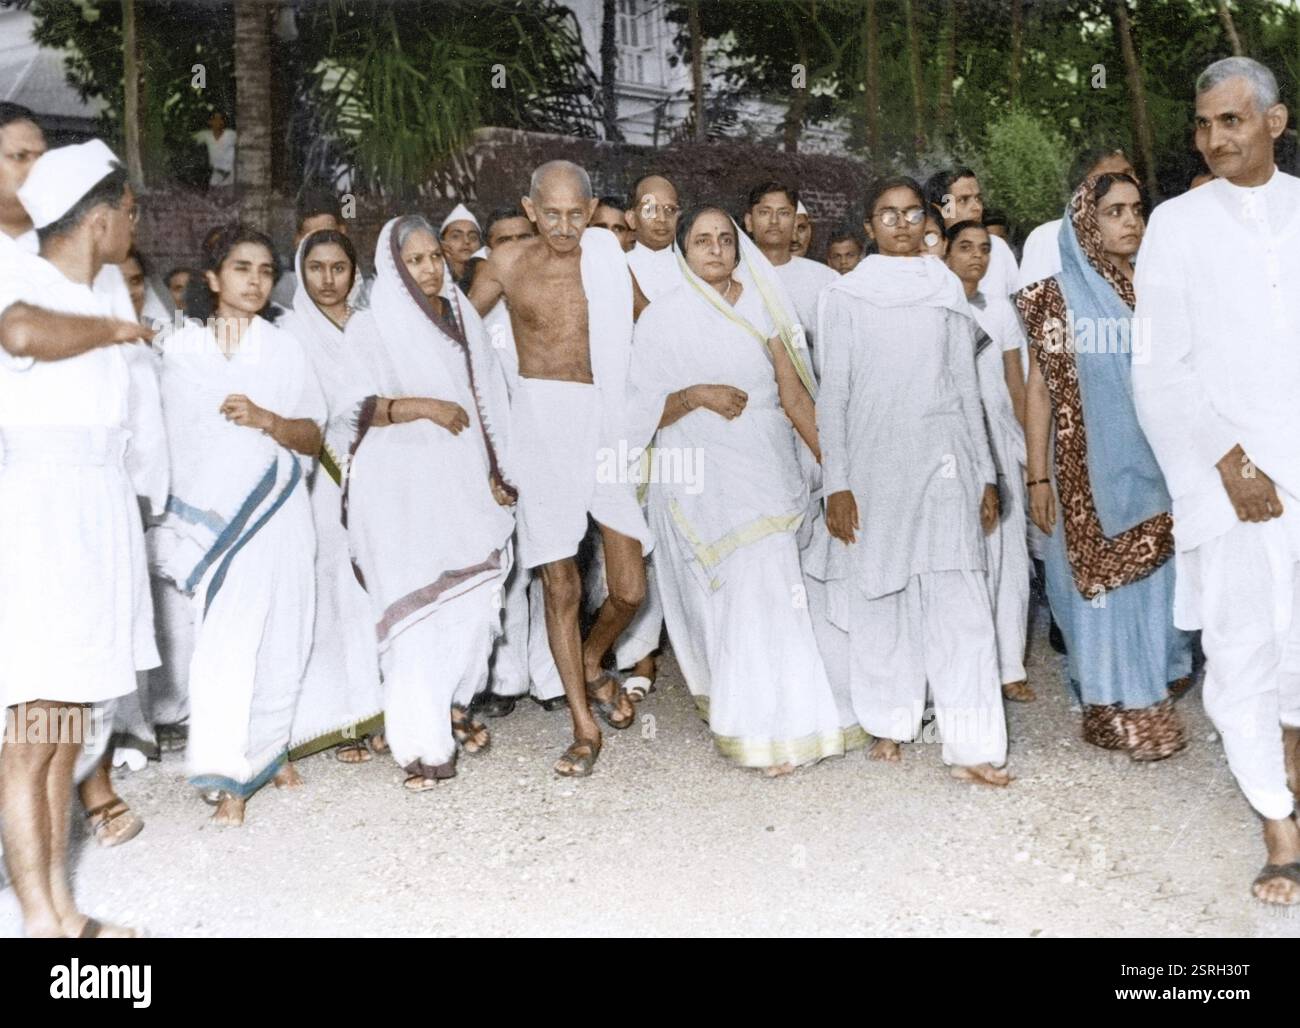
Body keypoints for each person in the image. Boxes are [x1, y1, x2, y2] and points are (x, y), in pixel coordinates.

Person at [1133, 56, 1300, 905]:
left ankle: (1293, 779)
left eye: (1231, 121)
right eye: (1202, 124)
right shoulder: (1177, 224)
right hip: (1222, 473)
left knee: (1299, 646)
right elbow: (1159, 367)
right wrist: (1229, 461)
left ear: (1274, 122)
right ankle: (1277, 825)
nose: (1213, 138)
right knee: (1240, 650)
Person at [627, 206, 853, 773]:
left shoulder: (764, 304)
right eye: (702, 241)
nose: (716, 250)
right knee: (739, 593)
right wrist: (696, 395)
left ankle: (793, 722)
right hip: (702, 479)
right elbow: (636, 415)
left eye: (725, 240)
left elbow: (796, 395)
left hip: (767, 468)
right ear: (683, 250)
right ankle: (756, 724)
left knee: (774, 585)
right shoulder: (660, 320)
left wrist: (838, 468)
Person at [0, 139, 158, 937]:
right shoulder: (15, 271)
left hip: (95, 507)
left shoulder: (103, 288)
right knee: (34, 730)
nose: (135, 227)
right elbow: (20, 334)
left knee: (68, 728)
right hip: (40, 511)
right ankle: (39, 921)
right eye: (130, 213)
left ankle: (61, 909)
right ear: (100, 219)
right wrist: (110, 333)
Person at [817, 175, 1010, 786]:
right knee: (882, 595)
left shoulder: (946, 288)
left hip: (945, 461)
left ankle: (972, 743)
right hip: (874, 465)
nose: (900, 225)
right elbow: (834, 395)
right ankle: (889, 723)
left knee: (960, 600)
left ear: (927, 222)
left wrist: (983, 472)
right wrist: (836, 483)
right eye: (886, 215)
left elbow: (964, 386)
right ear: (868, 226)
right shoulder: (843, 296)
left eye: (910, 214)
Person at [470, 160, 654, 777]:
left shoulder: (606, 258)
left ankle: (596, 661)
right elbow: (459, 340)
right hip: (540, 428)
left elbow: (651, 326)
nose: (566, 226)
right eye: (551, 213)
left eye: (578, 213)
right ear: (529, 209)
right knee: (562, 584)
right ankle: (582, 728)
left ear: (593, 205)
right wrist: (487, 448)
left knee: (629, 588)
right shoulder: (507, 264)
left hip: (602, 422)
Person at [152, 225, 325, 826]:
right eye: (241, 268)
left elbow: (314, 434)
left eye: (264, 269)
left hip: (281, 509)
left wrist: (268, 419)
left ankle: (270, 749)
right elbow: (178, 442)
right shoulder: (181, 351)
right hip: (219, 524)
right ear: (212, 278)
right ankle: (226, 771)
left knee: (286, 631)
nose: (255, 280)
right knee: (225, 643)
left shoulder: (286, 350)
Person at [1016, 173, 1192, 760]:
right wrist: (1036, 475)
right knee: (1095, 591)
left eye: (1137, 209)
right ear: (1085, 221)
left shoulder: (1160, 286)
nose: (1131, 221)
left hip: (1158, 466)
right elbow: (1039, 388)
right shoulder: (1056, 297)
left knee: (1154, 581)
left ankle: (1151, 684)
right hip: (1081, 471)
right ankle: (1111, 702)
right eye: (1115, 211)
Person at [342, 215, 514, 790]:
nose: (429, 269)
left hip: (462, 481)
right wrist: (420, 407)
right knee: (416, 613)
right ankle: (421, 746)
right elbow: (347, 409)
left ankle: (448, 705)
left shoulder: (462, 313)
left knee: (470, 600)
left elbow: (490, 395)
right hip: (400, 490)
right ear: (393, 268)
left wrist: (499, 469)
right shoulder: (370, 327)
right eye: (414, 260)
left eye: (434, 257)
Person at [281, 229, 385, 764]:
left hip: (380, 473)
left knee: (375, 589)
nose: (327, 279)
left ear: (354, 272)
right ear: (301, 271)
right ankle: (338, 718)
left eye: (338, 267)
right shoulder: (289, 331)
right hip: (321, 479)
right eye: (316, 267)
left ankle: (382, 711)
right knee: (331, 591)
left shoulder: (374, 328)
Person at [945, 221, 1033, 703]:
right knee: (966, 551)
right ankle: (966, 668)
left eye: (984, 250)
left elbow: (1016, 384)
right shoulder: (936, 306)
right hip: (955, 439)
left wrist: (1027, 448)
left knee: (1010, 556)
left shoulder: (999, 311)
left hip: (999, 436)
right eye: (965, 248)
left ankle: (1009, 666)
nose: (975, 257)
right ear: (945, 254)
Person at [1018, 146, 1134, 291]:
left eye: (1130, 173)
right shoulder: (1049, 237)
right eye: (1120, 177)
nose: (1132, 182)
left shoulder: (1145, 230)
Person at [743, 181, 837, 357]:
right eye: (764, 212)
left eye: (784, 213)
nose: (774, 221)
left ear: (794, 221)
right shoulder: (731, 276)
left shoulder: (825, 279)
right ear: (749, 222)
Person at [924, 167, 1018, 298]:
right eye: (963, 200)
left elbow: (1016, 298)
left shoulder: (997, 247)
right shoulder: (926, 254)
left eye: (978, 199)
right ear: (940, 209)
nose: (977, 208)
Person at [270, 190, 350, 309]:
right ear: (298, 241)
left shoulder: (362, 289)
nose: (321, 245)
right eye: (312, 237)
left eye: (327, 234)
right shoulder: (284, 290)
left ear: (342, 232)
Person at [625, 173, 683, 303]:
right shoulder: (618, 267)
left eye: (670, 210)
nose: (662, 219)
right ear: (631, 219)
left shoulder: (691, 269)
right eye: (650, 210)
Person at [440, 202, 482, 292]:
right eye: (456, 236)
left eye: (473, 237)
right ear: (443, 243)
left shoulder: (486, 279)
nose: (466, 241)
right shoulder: (437, 282)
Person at [193, 111, 236, 189]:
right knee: (213, 193)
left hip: (230, 174)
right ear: (210, 122)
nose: (218, 122)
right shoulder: (206, 135)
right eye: (215, 120)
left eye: (220, 119)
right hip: (216, 173)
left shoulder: (231, 134)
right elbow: (191, 139)